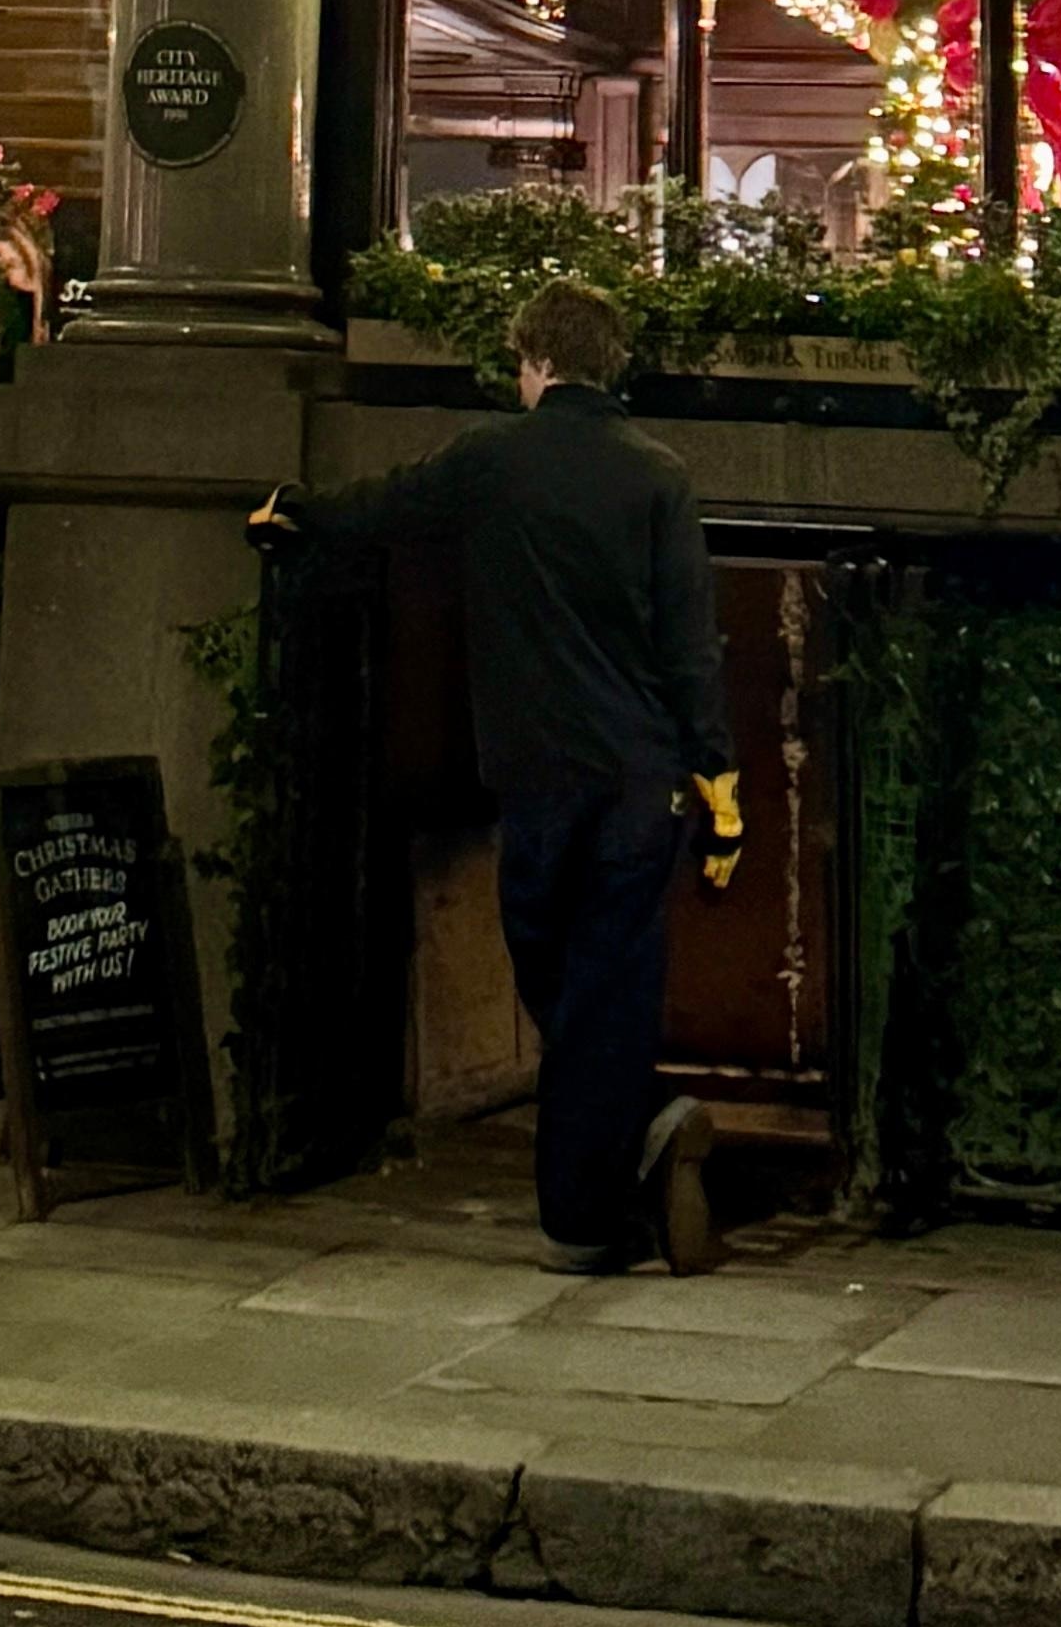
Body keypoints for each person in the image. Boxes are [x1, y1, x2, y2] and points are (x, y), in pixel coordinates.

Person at [261, 279, 741, 1275]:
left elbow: (382, 507)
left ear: (534, 361)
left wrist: (291, 514)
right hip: (639, 773)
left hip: (536, 774)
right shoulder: (659, 476)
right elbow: (690, 644)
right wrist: (717, 780)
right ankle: (629, 1146)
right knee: (608, 984)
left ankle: (588, 1212)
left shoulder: (491, 461)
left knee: (551, 974)